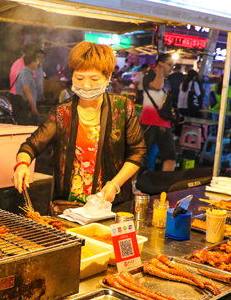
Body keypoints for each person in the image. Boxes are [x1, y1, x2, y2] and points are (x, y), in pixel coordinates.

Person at [13, 41, 145, 205]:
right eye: (79, 78)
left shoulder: (122, 108)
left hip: (111, 203)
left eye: (94, 79)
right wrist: (22, 164)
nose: (86, 85)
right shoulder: (62, 112)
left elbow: (137, 152)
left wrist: (115, 184)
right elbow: (31, 145)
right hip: (69, 206)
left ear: (108, 77)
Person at [141, 53, 177, 171]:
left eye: (173, 66)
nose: (172, 68)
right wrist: (160, 70)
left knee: (171, 158)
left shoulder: (167, 81)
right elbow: (157, 86)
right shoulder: (148, 77)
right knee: (138, 158)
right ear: (160, 64)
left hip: (164, 123)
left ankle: (165, 181)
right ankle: (133, 181)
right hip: (148, 123)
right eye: (170, 65)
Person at [15, 51, 40, 122]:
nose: (37, 63)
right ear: (32, 62)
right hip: (26, 108)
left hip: (25, 107)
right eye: (37, 61)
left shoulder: (25, 72)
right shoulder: (26, 73)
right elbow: (26, 90)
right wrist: (33, 107)